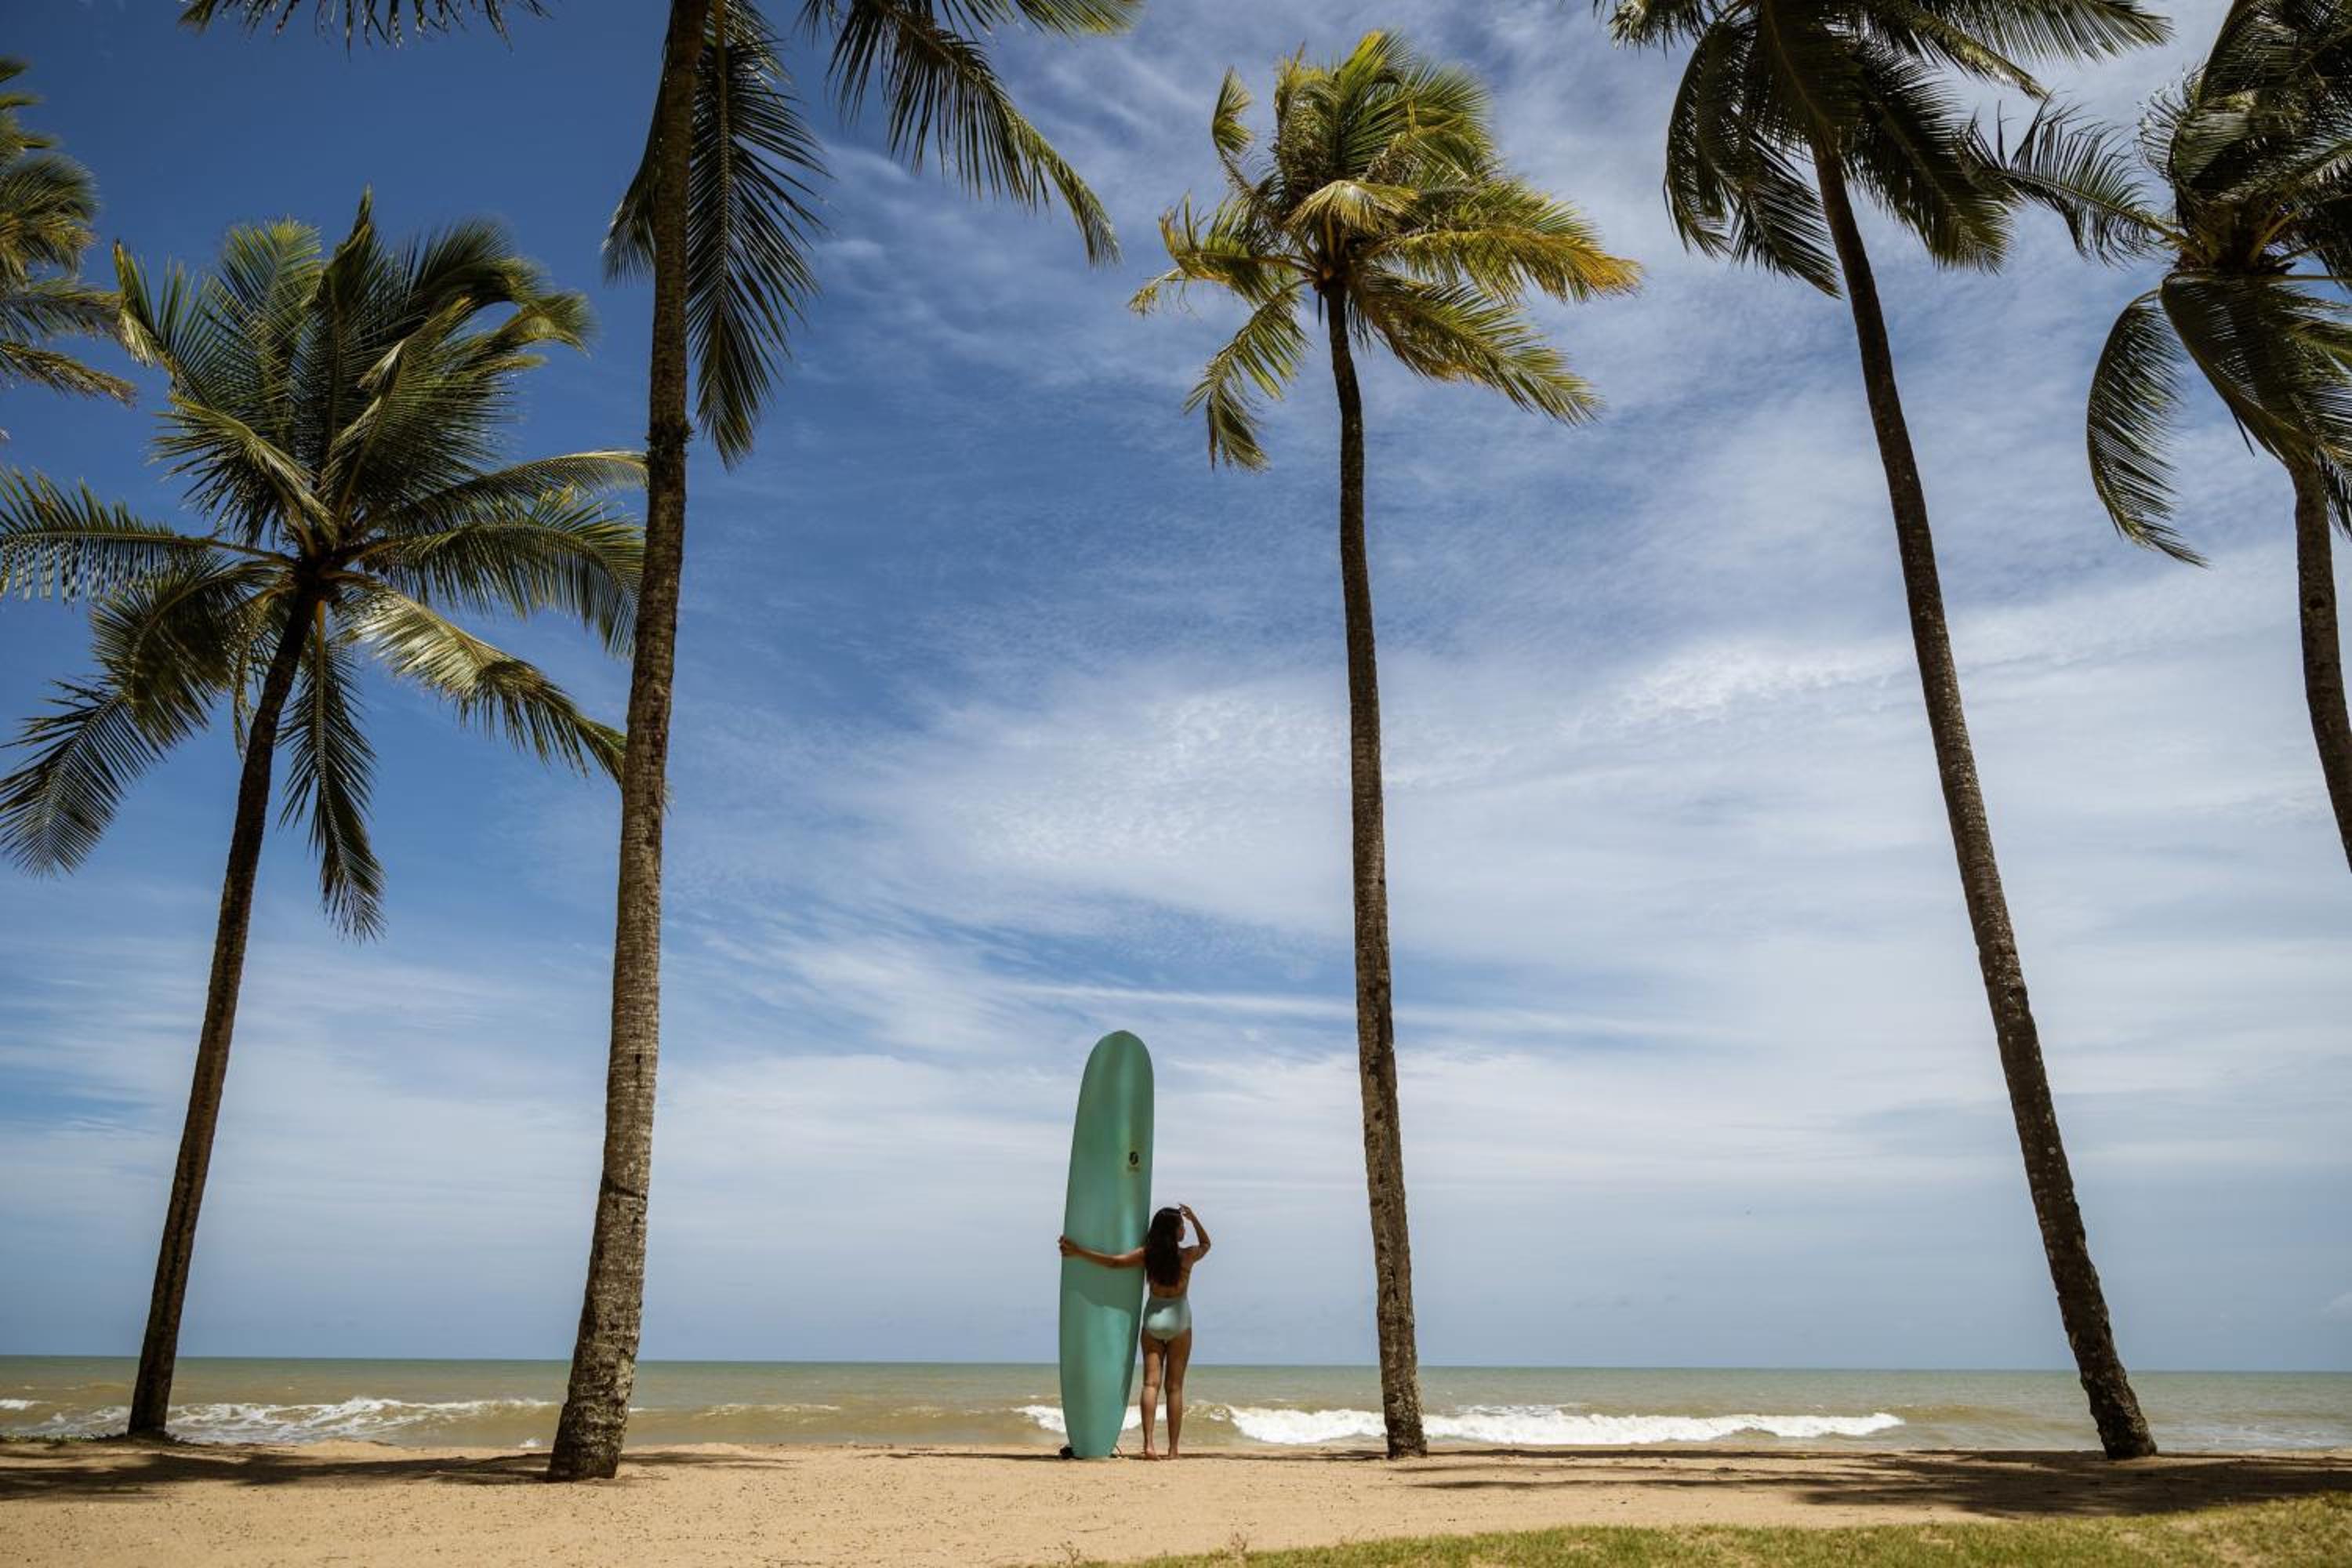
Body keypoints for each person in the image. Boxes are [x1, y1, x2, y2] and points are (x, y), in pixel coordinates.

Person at [1058, 1203, 1210, 1458]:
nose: (1184, 1230)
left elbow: (1114, 1263)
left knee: (1150, 1384)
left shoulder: (1148, 1255)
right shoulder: (1188, 1256)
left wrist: (1078, 1251)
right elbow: (1207, 1244)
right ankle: (1173, 1450)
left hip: (1153, 1322)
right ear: (1174, 1231)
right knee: (1174, 1387)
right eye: (1181, 1227)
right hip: (1180, 1322)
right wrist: (1195, 1218)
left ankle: (1149, 1445)